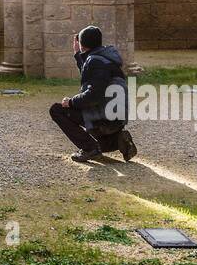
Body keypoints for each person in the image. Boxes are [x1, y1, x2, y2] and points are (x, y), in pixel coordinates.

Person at [48, 24, 138, 163]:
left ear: (83, 44)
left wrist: (71, 102)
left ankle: (90, 149)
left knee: (57, 110)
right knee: (99, 142)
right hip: (116, 119)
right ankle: (118, 140)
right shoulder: (104, 57)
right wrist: (78, 54)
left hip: (106, 119)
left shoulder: (96, 62)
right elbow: (90, 75)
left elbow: (93, 96)